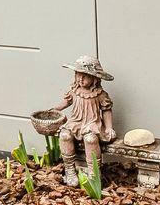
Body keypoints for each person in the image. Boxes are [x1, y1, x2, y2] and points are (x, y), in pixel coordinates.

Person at [46, 55, 116, 183]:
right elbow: (66, 102)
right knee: (64, 135)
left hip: (92, 123)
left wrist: (109, 127)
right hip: (76, 122)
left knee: (90, 139)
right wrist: (56, 109)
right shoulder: (74, 90)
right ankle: (70, 170)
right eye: (78, 74)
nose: (80, 79)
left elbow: (106, 110)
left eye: (85, 76)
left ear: (94, 78)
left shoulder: (100, 94)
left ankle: (94, 173)